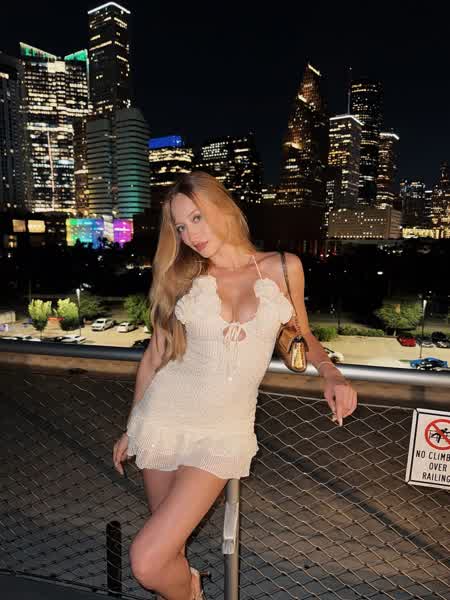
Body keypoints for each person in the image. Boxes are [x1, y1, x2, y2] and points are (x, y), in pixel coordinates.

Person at [113, 171, 358, 600]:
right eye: (180, 227)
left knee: (147, 560)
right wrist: (132, 425)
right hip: (163, 417)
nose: (191, 235)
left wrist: (331, 373)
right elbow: (155, 356)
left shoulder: (282, 267)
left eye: (197, 218)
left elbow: (301, 333)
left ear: (223, 208)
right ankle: (187, 588)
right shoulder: (182, 276)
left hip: (223, 431)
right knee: (168, 551)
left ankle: (191, 589)